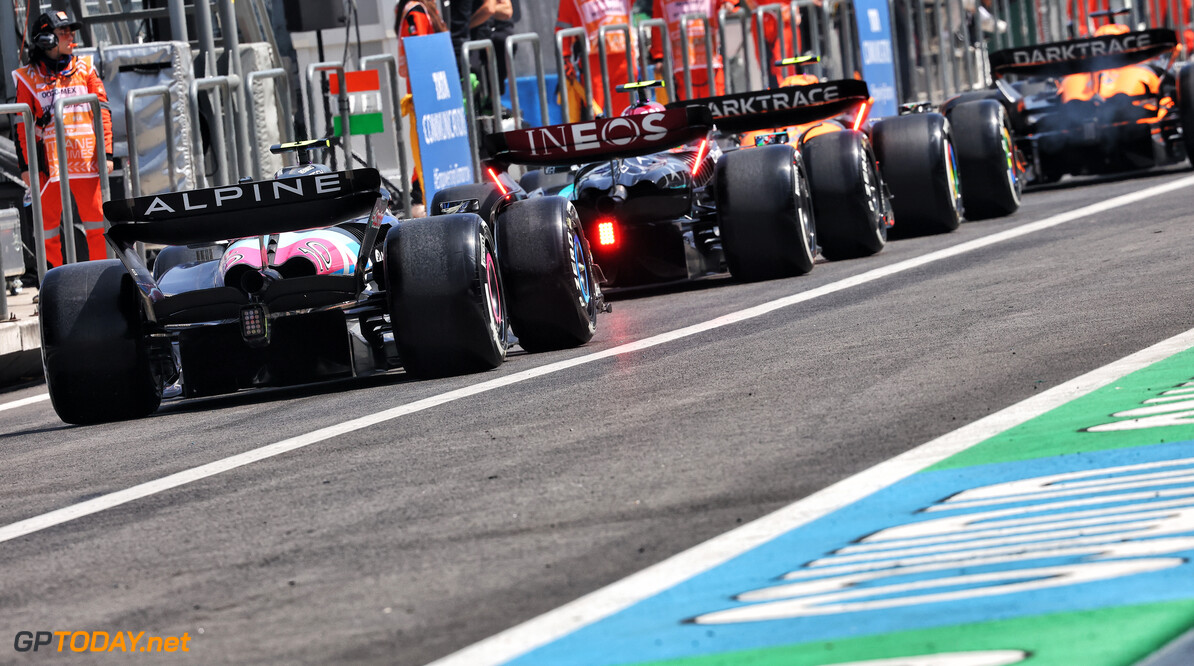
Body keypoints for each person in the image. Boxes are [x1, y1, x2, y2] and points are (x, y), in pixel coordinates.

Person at [13, 10, 113, 268]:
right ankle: (52, 284)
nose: (71, 37)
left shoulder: (86, 68)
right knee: (46, 231)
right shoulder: (26, 77)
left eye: (71, 31)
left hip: (87, 160)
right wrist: (26, 167)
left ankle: (102, 279)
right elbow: (21, 126)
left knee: (97, 224)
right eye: (64, 32)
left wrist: (107, 154)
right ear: (46, 40)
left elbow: (102, 113)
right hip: (49, 166)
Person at [395, 0, 450, 216]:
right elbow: (419, 52)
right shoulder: (415, 11)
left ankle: (424, 198)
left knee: (430, 153)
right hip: (425, 93)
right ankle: (424, 202)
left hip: (432, 90)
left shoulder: (424, 10)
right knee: (427, 152)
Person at [555, 0, 633, 120]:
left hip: (623, 58)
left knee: (624, 109)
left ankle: (624, 133)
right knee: (594, 110)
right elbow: (563, 25)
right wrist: (565, 57)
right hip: (592, 62)